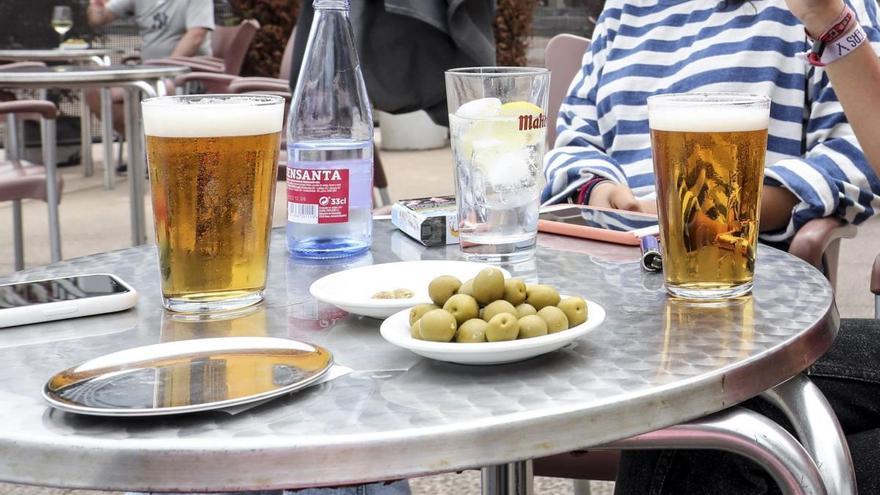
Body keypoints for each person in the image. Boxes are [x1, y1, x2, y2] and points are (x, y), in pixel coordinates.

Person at [543, 0, 880, 493]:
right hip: (611, 290)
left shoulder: (821, 10)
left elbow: (854, 159)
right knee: (718, 428)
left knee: (700, 416)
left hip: (750, 294)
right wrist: (601, 196)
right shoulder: (626, 9)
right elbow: (573, 140)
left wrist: (718, 211)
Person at [84, 0, 214, 145]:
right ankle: (144, 148)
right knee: (95, 92)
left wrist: (165, 70)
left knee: (164, 90)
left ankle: (159, 150)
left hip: (187, 75)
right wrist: (97, 5)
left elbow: (196, 36)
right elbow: (98, 19)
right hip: (148, 75)